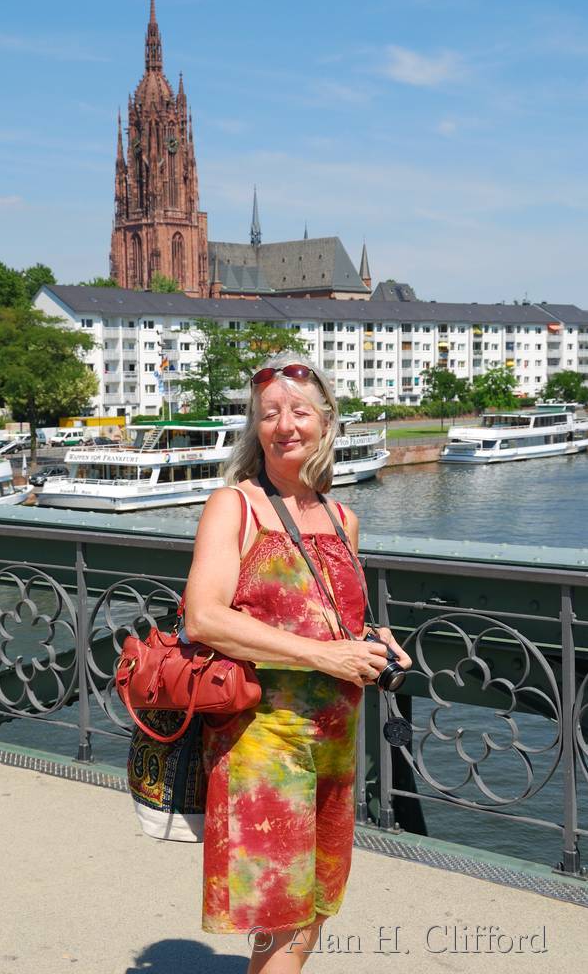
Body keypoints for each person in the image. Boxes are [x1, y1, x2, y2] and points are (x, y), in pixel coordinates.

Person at [183, 353, 411, 974]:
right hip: (263, 739)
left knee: (314, 905)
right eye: (270, 414)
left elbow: (327, 616)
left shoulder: (342, 518)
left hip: (335, 739)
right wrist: (323, 654)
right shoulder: (235, 506)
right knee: (281, 912)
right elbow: (203, 618)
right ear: (255, 429)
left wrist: (373, 641)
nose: (285, 425)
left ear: (326, 421)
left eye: (300, 412)